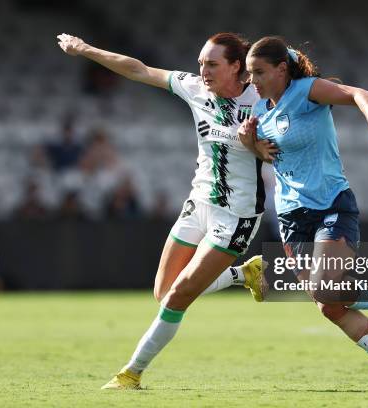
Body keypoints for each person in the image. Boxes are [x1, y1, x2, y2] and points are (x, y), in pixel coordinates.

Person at [57, 32, 267, 389]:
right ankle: (242, 275)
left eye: (212, 64)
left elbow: (278, 152)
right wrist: (87, 50)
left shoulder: (264, 101)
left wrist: (255, 144)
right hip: (198, 202)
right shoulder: (194, 87)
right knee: (163, 291)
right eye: (201, 63)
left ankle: (131, 373)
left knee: (178, 297)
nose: (203, 71)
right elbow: (138, 70)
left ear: (237, 67)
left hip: (236, 217)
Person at [238, 36, 368, 393]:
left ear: (282, 69)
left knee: (326, 289)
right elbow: (268, 157)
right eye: (250, 74)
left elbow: (360, 94)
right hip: (292, 215)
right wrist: (250, 142)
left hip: (330, 204)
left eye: (259, 72)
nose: (254, 81)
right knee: (330, 306)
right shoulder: (261, 112)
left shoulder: (308, 91)